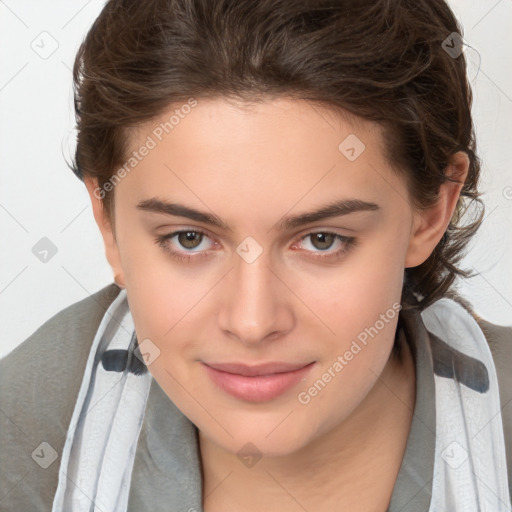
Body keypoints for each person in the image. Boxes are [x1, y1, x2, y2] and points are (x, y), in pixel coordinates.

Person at [1, 0, 511, 511]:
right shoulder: (22, 444)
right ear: (107, 223)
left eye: (321, 240)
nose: (252, 322)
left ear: (431, 213)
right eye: (189, 239)